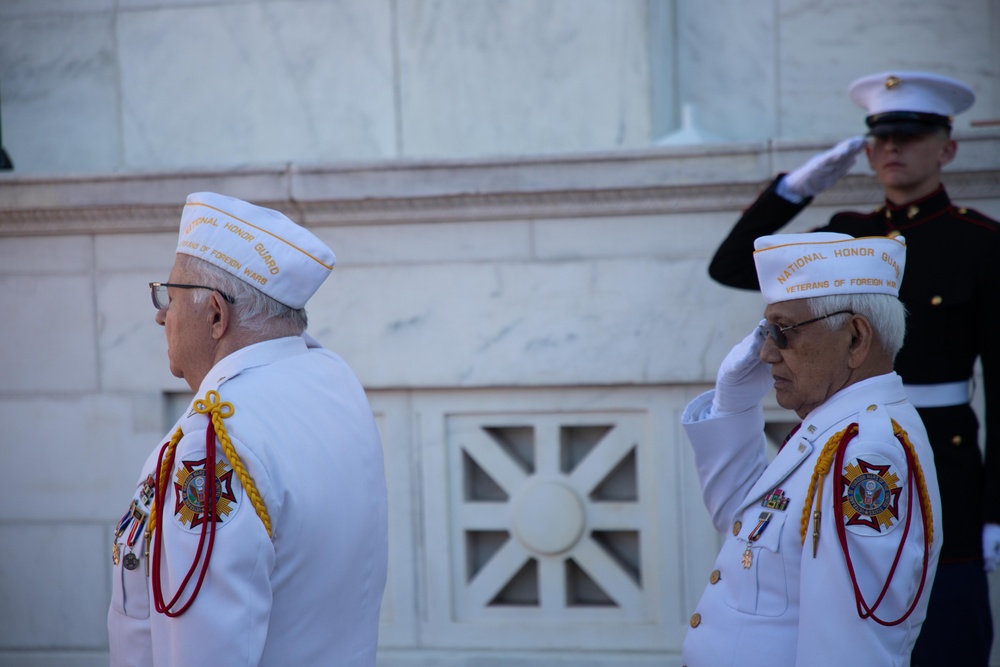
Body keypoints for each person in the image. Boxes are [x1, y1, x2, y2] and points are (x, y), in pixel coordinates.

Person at [707, 70, 1000, 665]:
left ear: (945, 147)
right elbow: (733, 265)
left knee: (940, 628)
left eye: (911, 135)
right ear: (866, 150)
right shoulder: (847, 234)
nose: (892, 148)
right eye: (882, 137)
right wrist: (793, 189)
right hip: (834, 440)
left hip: (943, 460)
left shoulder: (980, 241)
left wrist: (997, 506)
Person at [108, 192, 389, 665]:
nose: (161, 315)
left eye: (170, 297)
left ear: (216, 315)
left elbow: (205, 649)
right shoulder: (331, 380)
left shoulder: (213, 442)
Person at [682, 231, 941, 666]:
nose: (766, 353)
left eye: (783, 331)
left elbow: (847, 650)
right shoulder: (830, 428)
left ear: (856, 339)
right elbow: (740, 522)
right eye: (766, 331)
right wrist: (734, 405)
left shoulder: (865, 452)